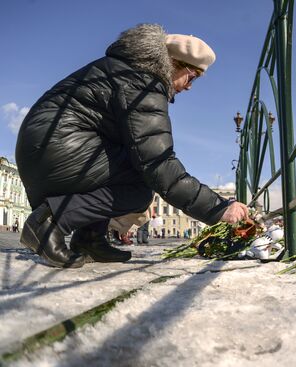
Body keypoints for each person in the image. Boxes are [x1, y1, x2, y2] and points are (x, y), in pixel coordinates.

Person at [15, 24, 248, 268]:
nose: (189, 86)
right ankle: (48, 222)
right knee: (140, 186)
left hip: (46, 149)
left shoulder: (129, 70)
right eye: (192, 77)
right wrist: (219, 208)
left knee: (129, 165)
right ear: (174, 63)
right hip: (58, 150)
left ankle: (89, 238)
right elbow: (159, 162)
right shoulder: (144, 81)